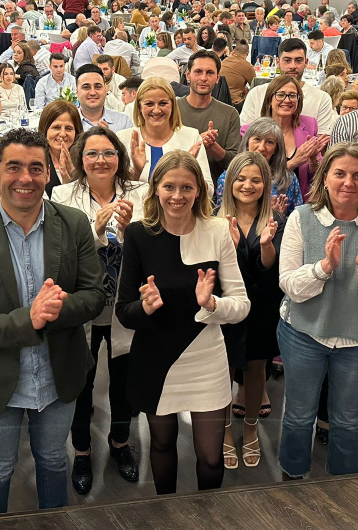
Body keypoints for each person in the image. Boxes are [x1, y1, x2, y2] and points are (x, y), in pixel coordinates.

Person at [0, 128, 105, 513]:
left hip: (58, 373)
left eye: (36, 168)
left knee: (54, 460)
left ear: (48, 173)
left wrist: (56, 310)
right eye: (13, 167)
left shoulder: (75, 224)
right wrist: (28, 320)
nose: (25, 178)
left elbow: (95, 296)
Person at [115, 150, 249, 493]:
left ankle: (206, 514)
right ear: (156, 189)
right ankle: (168, 512)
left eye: (186, 187)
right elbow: (124, 311)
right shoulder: (138, 235)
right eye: (169, 187)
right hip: (155, 358)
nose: (178, 196)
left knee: (211, 458)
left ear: (199, 191)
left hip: (206, 358)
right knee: (161, 445)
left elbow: (241, 305)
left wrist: (212, 303)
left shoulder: (217, 230)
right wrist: (146, 307)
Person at [278, 142, 358, 478]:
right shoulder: (301, 218)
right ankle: (292, 476)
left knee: (346, 420)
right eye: (340, 173)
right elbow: (289, 285)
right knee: (299, 416)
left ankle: (343, 487)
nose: (349, 182)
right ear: (325, 178)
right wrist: (324, 267)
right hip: (302, 334)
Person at [51, 126, 147, 495]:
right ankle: (82, 451)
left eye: (108, 153)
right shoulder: (62, 195)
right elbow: (60, 253)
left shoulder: (141, 192)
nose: (100, 160)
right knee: (82, 382)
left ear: (119, 158)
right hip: (84, 306)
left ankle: (120, 444)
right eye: (91, 153)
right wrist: (95, 230)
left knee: (124, 382)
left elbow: (151, 247)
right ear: (80, 159)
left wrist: (128, 232)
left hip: (125, 306)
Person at [215, 151, 284, 469]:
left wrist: (266, 244)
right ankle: (226, 430)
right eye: (241, 178)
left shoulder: (277, 220)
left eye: (256, 179)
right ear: (230, 182)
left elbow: (271, 267)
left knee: (257, 368)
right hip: (226, 307)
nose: (247, 185)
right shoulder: (215, 218)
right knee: (223, 371)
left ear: (265, 184)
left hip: (261, 306)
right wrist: (228, 249)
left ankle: (252, 428)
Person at [117, 77, 213, 190]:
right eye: (149, 104)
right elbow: (115, 188)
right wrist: (136, 172)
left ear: (172, 105)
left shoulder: (192, 136)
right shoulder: (122, 138)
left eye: (163, 103)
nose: (156, 110)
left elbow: (209, 190)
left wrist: (189, 171)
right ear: (139, 107)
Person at [239, 38, 336, 134]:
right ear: (278, 62)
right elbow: (244, 134)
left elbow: (321, 139)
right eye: (287, 60)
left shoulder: (321, 99)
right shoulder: (256, 94)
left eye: (298, 60)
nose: (293, 66)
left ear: (306, 62)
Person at [178, 51, 241, 183]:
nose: (203, 78)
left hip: (216, 190)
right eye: (198, 72)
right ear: (188, 75)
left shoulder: (230, 114)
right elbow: (163, 155)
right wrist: (198, 143)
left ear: (217, 78)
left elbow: (235, 165)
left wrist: (213, 146)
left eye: (210, 73)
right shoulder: (172, 110)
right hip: (177, 185)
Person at [76, 63, 132, 131]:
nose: (93, 93)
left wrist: (110, 136)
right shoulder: (67, 122)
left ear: (105, 90)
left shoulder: (123, 122)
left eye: (98, 87)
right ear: (77, 92)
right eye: (86, 87)